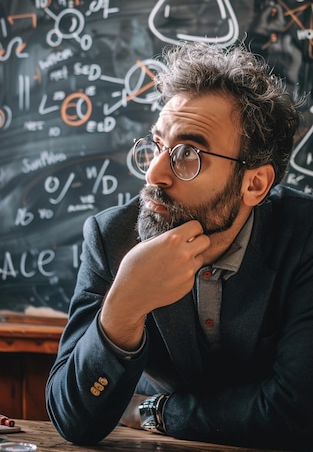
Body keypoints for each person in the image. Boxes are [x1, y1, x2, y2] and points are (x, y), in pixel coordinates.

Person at [46, 42, 313, 451]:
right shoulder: (113, 238)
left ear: (254, 184)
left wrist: (158, 412)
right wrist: (123, 307)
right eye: (156, 145)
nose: (154, 173)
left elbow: (296, 411)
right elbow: (73, 420)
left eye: (188, 154)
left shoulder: (304, 237)